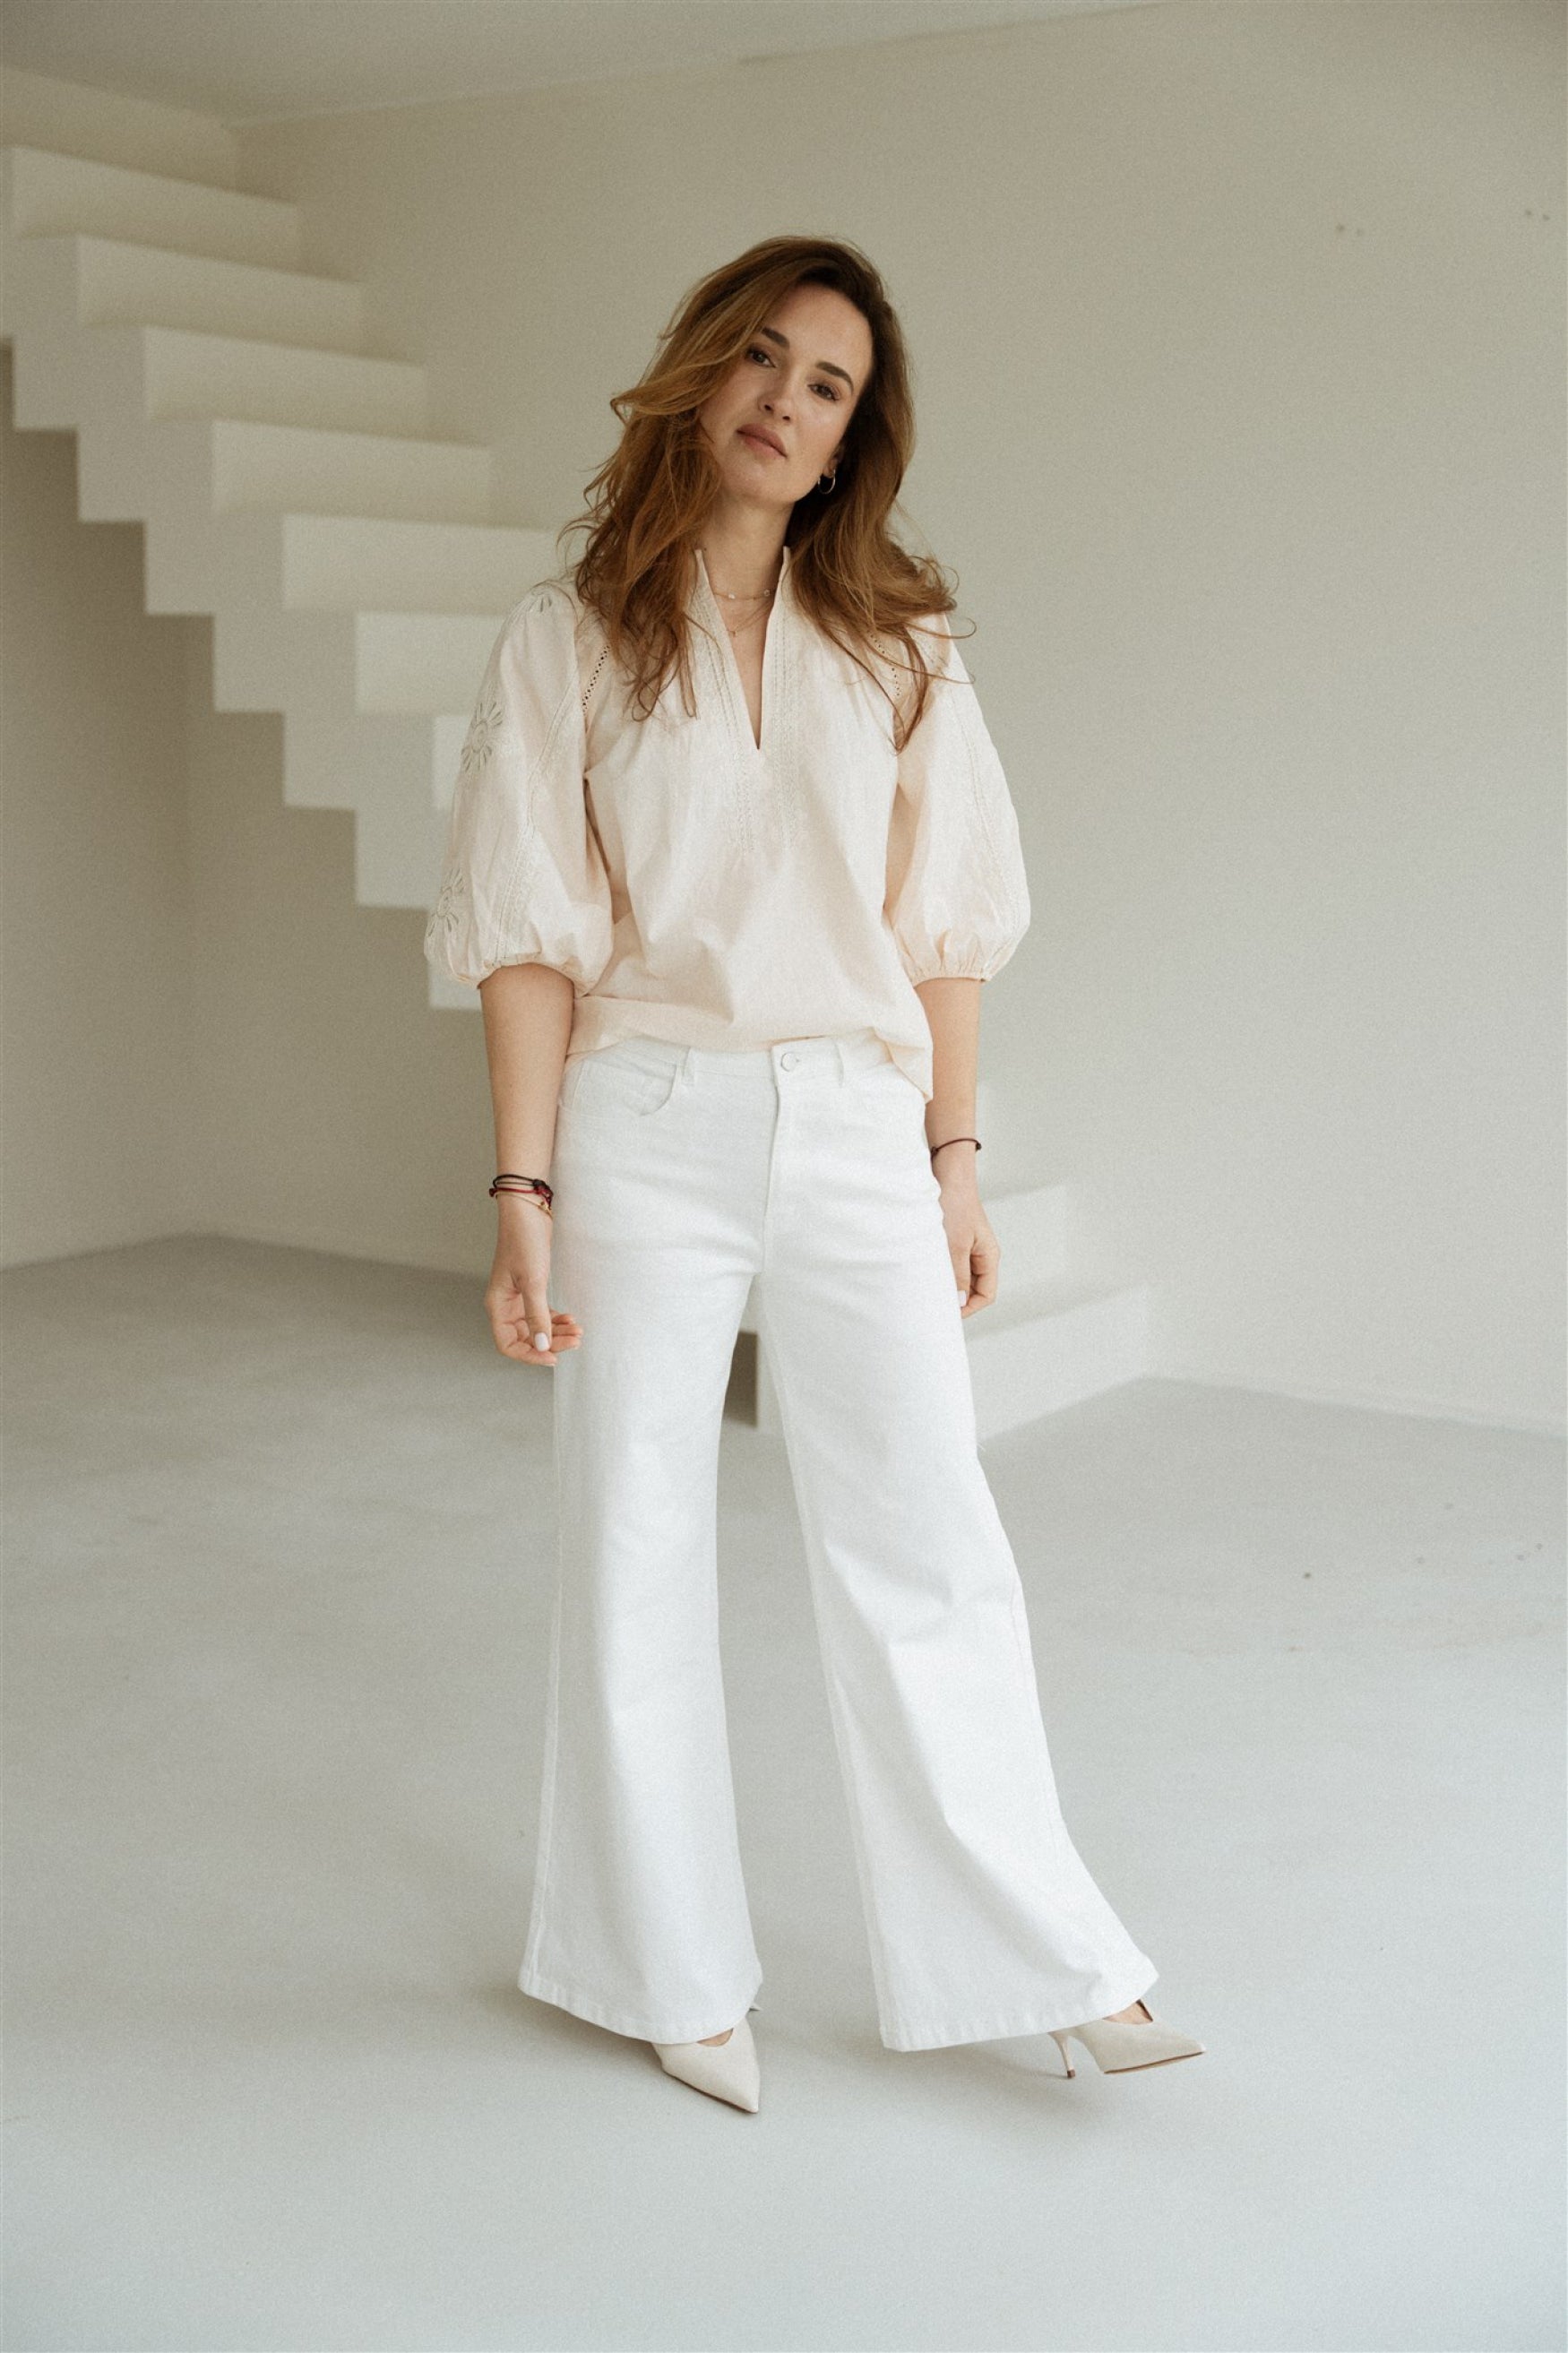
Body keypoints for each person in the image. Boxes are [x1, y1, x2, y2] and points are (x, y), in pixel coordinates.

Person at [425, 235, 1204, 2113]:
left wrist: (955, 1158)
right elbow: (527, 937)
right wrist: (521, 1193)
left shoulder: (900, 648)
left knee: (924, 1527)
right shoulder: (567, 637)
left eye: (828, 383)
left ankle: (1045, 1955)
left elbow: (945, 928)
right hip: (644, 1122)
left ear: (855, 435)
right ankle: (660, 1966)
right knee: (634, 1536)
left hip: (854, 1121)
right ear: (702, 371)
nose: (785, 400)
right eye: (762, 357)